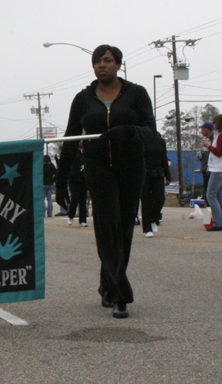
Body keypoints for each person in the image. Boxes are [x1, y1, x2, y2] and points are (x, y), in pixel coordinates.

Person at [57, 45, 156, 319]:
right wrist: (61, 179)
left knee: (123, 228)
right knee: (106, 226)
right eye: (97, 61)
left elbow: (150, 130)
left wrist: (130, 131)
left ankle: (107, 285)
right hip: (98, 168)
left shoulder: (136, 94)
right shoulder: (83, 99)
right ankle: (120, 295)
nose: (102, 65)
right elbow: (71, 138)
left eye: (108, 60)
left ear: (118, 64)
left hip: (131, 167)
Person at [140, 131, 171, 238]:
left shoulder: (160, 141)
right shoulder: (141, 139)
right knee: (146, 200)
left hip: (158, 172)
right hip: (144, 173)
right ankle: (147, 228)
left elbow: (164, 158)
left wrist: (168, 175)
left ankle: (153, 218)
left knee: (160, 198)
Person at [67, 141, 88, 227]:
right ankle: (71, 215)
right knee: (75, 197)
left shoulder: (86, 151)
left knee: (83, 199)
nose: (81, 142)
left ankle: (83, 220)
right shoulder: (74, 152)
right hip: (74, 178)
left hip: (84, 178)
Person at [199, 122, 213, 199]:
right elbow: (207, 155)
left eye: (202, 129)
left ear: (207, 129)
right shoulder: (206, 141)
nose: (201, 131)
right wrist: (201, 156)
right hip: (205, 169)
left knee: (210, 193)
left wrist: (208, 145)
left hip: (211, 170)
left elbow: (214, 153)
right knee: (206, 191)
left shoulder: (213, 140)